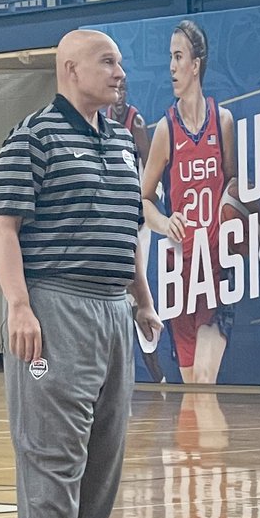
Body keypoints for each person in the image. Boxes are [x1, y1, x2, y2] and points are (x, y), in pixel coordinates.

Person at [0, 29, 161, 518]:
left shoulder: (119, 142)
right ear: (69, 69)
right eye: (107, 61)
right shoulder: (32, 138)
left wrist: (141, 300)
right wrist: (19, 306)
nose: (120, 72)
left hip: (113, 311)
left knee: (101, 462)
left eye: (120, 61)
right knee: (52, 458)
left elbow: (124, 228)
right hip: (56, 312)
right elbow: (3, 225)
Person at [142, 19, 236, 384]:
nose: (171, 66)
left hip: (214, 270)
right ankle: (184, 445)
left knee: (205, 383)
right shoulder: (166, 129)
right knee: (192, 392)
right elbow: (144, 201)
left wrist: (243, 221)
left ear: (196, 65)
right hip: (180, 277)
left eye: (178, 56)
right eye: (170, 57)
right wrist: (165, 223)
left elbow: (234, 190)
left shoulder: (223, 122)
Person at [107, 78, 164, 382]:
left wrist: (143, 203)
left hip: (136, 211)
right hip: (114, 211)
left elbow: (150, 169)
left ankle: (155, 370)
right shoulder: (102, 121)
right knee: (124, 290)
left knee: (136, 284)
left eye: (123, 90)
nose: (118, 96)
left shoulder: (136, 121)